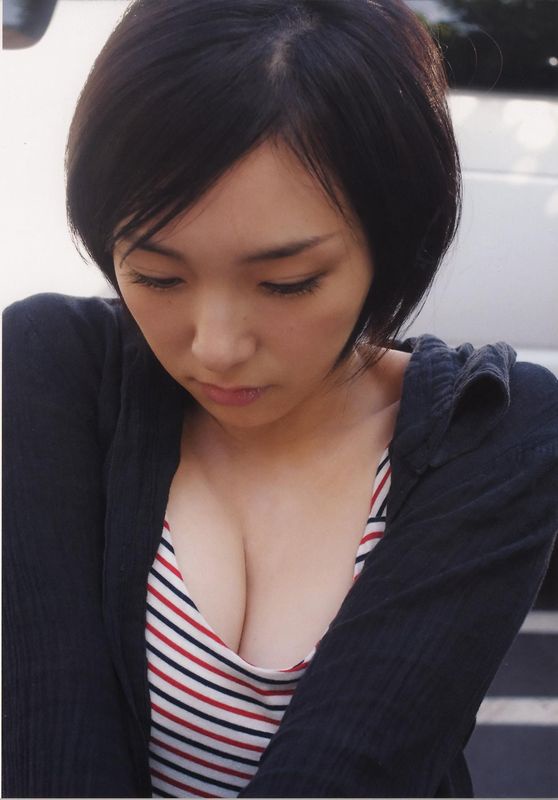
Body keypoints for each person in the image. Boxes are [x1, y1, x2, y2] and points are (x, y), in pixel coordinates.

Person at [3, 0, 557, 797]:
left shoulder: (494, 434)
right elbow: (51, 748)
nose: (216, 346)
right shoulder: (50, 370)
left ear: (391, 247)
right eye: (156, 276)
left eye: (287, 283)